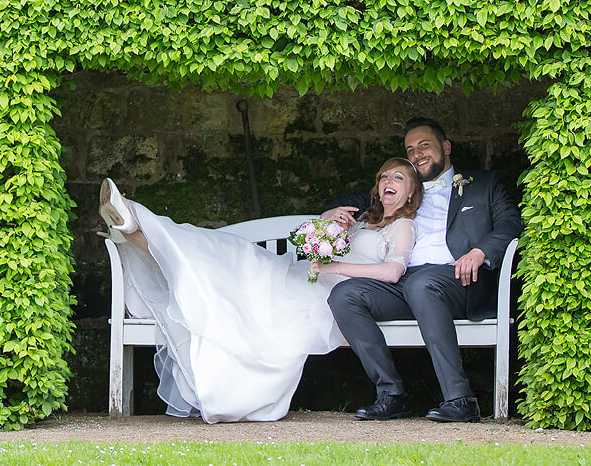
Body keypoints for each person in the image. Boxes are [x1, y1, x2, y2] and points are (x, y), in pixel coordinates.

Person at [99, 157, 424, 423]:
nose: (387, 182)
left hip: (327, 297)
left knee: (233, 269)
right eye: (383, 176)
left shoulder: (404, 226)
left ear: (411, 193)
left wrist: (334, 268)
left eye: (398, 177)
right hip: (304, 276)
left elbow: (392, 271)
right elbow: (321, 242)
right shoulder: (364, 219)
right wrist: (327, 220)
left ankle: (135, 226)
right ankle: (135, 224)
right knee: (232, 252)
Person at [323, 117, 522, 423]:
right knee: (344, 294)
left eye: (424, 145)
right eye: (410, 149)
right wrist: (332, 212)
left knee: (423, 284)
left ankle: (460, 399)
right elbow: (353, 200)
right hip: (403, 281)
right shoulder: (403, 185)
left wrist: (479, 252)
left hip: (458, 278)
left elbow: (510, 223)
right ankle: (391, 394)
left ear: (446, 147)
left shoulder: (483, 183)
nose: (416, 154)